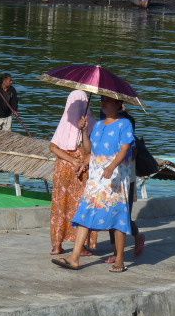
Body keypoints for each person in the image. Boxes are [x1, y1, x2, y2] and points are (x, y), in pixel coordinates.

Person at [52, 95, 135, 273]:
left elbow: (125, 148)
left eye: (107, 101)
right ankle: (74, 258)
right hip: (96, 176)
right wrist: (83, 131)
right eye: (103, 100)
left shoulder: (124, 124)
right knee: (85, 212)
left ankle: (120, 259)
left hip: (115, 176)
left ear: (118, 104)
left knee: (118, 217)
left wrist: (112, 166)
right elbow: (90, 150)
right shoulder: (98, 125)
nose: (103, 103)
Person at [48, 90, 98, 255]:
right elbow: (90, 150)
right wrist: (75, 160)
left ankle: (57, 244)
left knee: (61, 205)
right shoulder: (88, 121)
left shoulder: (68, 120)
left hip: (67, 168)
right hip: (78, 170)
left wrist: (83, 130)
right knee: (78, 206)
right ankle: (79, 245)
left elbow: (53, 147)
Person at [103, 105, 145, 263]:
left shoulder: (130, 144)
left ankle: (135, 236)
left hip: (127, 182)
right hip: (111, 179)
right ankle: (116, 250)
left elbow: (126, 158)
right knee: (111, 215)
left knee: (122, 215)